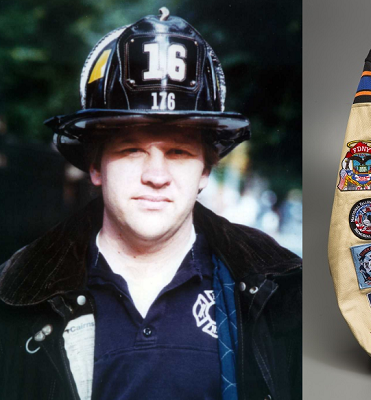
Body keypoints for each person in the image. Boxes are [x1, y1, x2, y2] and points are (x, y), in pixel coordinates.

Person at [0, 8, 301, 400]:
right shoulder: (16, 294)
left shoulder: (283, 291)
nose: (156, 175)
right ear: (95, 165)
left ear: (207, 169)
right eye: (131, 149)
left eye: (177, 151)